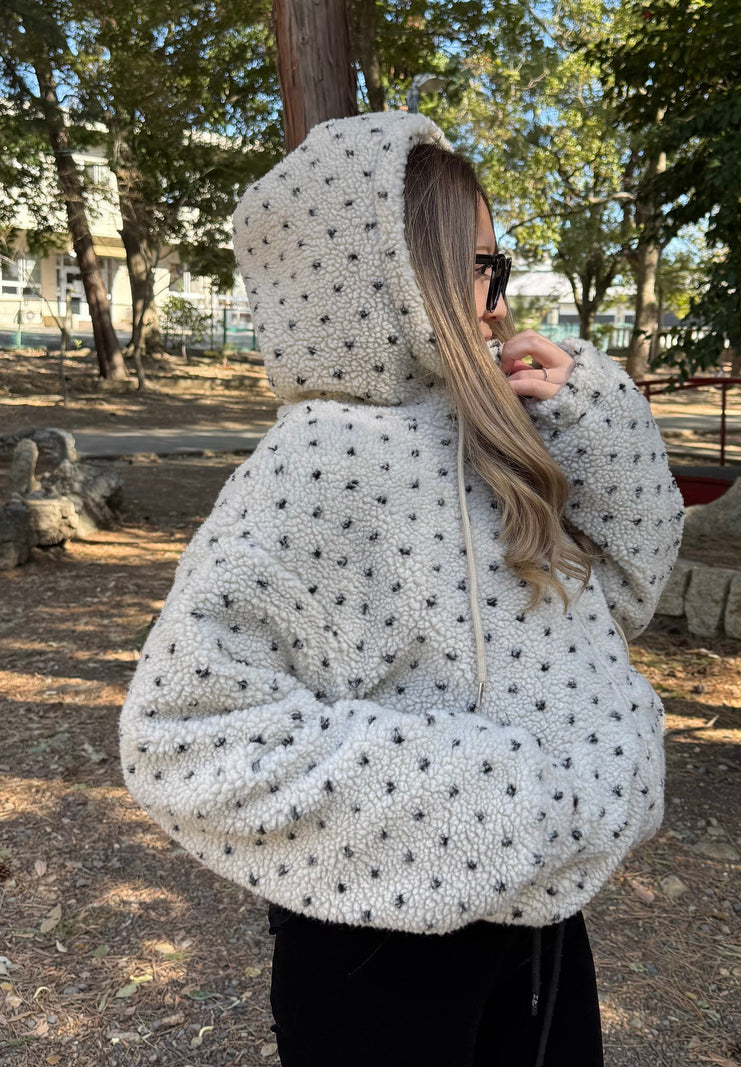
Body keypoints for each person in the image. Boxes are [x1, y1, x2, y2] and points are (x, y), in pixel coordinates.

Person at [119, 111, 684, 1066]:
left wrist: (598, 421)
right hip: (385, 947)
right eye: (481, 266)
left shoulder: (490, 433)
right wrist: (499, 798)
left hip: (542, 924)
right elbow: (183, 728)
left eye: (499, 268)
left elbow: (624, 597)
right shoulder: (323, 458)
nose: (497, 305)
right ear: (394, 270)